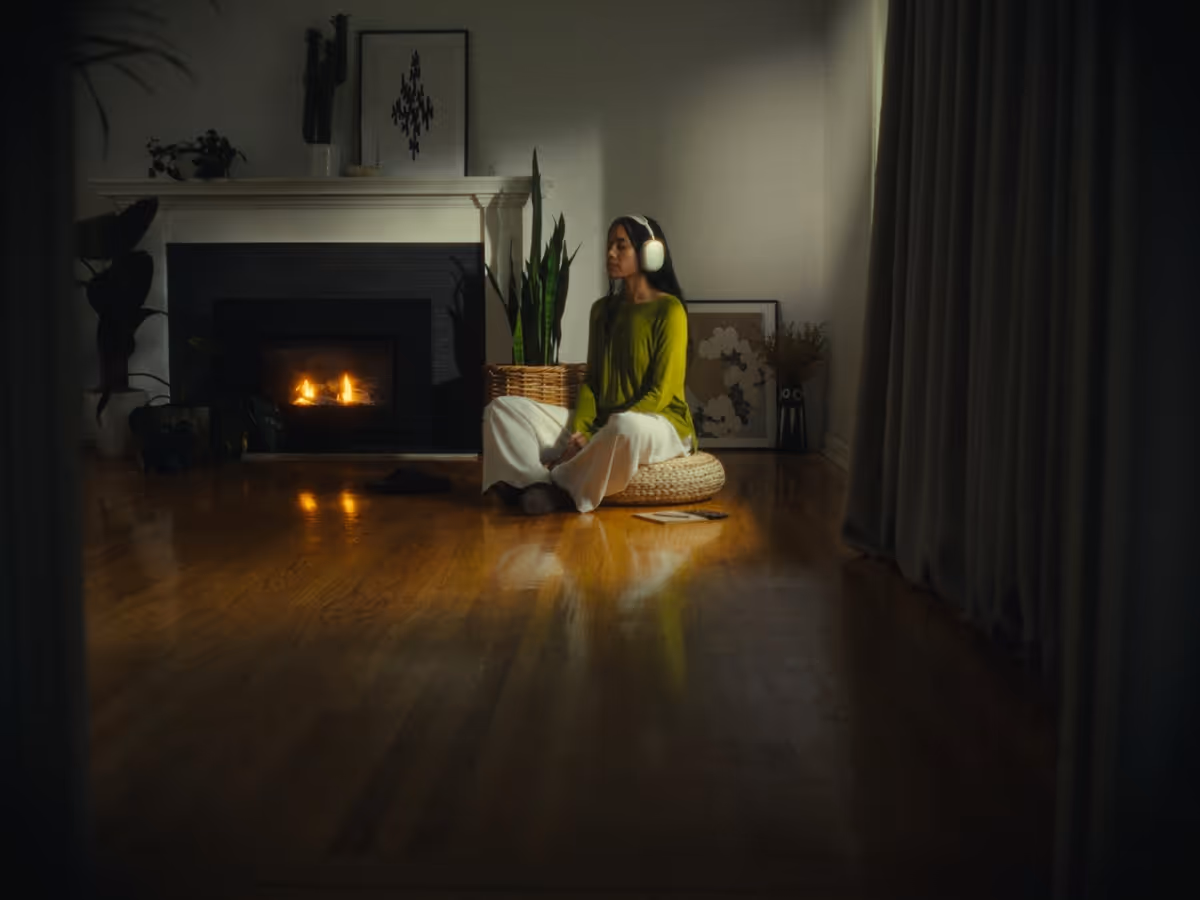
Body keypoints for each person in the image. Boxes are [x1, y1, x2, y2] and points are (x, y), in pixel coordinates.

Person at [482, 214, 698, 515]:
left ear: (649, 252)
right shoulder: (602, 310)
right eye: (609, 245)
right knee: (501, 410)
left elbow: (660, 394)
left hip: (660, 425)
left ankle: (559, 484)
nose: (610, 253)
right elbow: (593, 382)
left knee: (625, 425)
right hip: (603, 426)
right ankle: (532, 482)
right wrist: (580, 431)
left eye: (621, 246)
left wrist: (595, 434)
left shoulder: (669, 310)